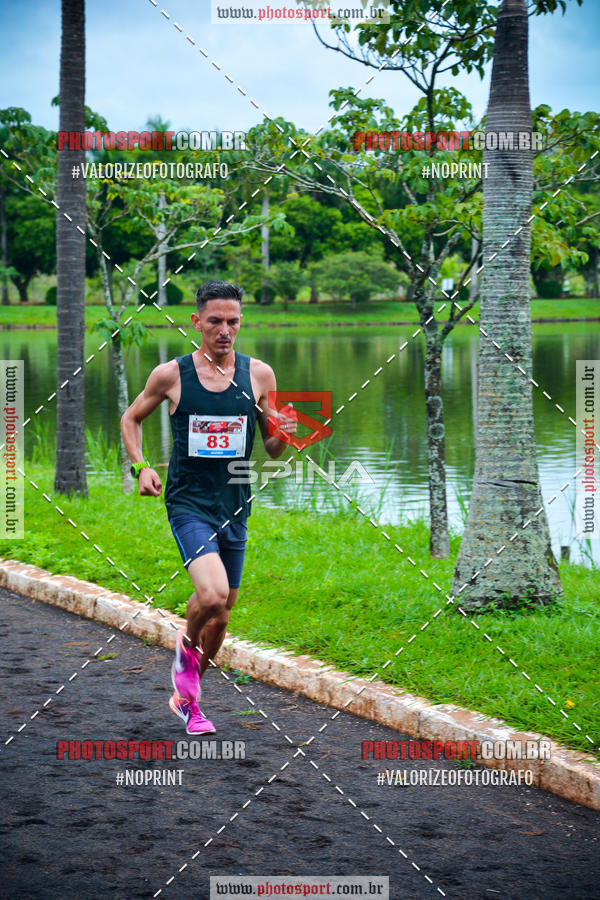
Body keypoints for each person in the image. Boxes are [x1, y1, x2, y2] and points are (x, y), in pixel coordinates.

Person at [120, 281, 296, 734]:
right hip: (188, 504)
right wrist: (140, 466)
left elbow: (273, 448)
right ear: (196, 321)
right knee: (213, 596)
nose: (224, 330)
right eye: (215, 321)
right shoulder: (171, 375)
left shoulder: (260, 375)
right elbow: (130, 418)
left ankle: (188, 698)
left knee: (223, 613)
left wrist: (288, 431)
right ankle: (184, 650)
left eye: (233, 321)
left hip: (235, 505)